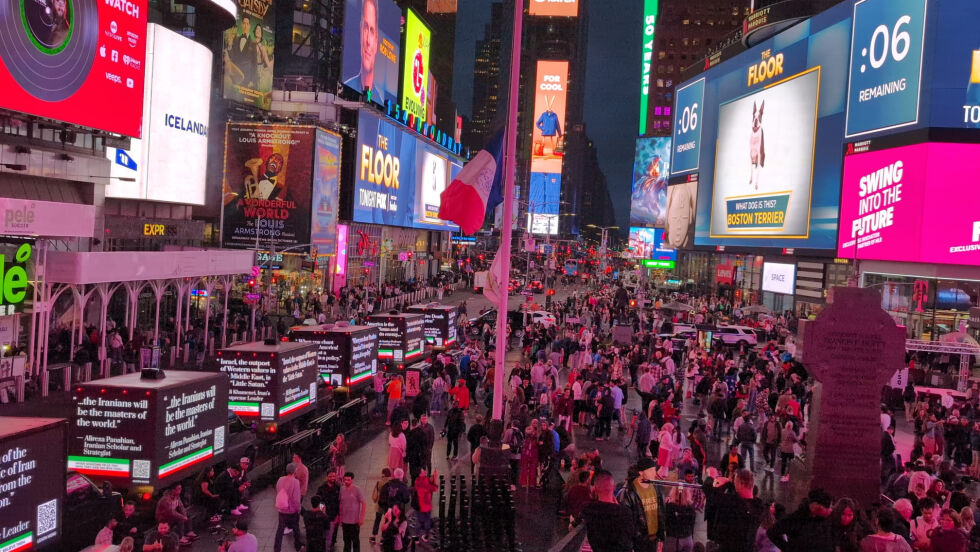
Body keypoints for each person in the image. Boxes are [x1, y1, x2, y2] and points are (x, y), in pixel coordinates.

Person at [711, 468, 766, 552]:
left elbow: (714, 497)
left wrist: (722, 484)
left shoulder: (732, 503)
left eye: (735, 482)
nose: (734, 485)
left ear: (742, 483)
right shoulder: (759, 507)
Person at [619, 457, 666, 551]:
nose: (654, 473)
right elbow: (626, 522)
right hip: (639, 542)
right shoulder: (630, 492)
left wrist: (661, 538)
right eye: (651, 470)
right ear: (641, 472)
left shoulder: (656, 488)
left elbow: (661, 515)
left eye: (654, 470)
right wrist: (630, 545)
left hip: (654, 540)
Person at [767, 488, 835, 551]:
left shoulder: (824, 520)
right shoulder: (796, 518)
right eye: (827, 507)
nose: (829, 510)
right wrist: (788, 548)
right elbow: (772, 532)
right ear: (815, 504)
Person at [582, 471, 635, 552]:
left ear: (595, 489)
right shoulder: (624, 513)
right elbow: (628, 540)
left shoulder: (588, 509)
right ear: (614, 487)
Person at [343, 0, 381, 98]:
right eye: (365, 28)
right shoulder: (347, 85)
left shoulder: (380, 100)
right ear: (360, 32)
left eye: (372, 31)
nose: (368, 41)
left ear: (376, 41)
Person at [273, 463, 304, 552]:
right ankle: (297, 546)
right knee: (296, 528)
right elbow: (296, 499)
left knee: (280, 529)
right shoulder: (295, 482)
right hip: (292, 511)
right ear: (294, 471)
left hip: (282, 510)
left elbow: (278, 491)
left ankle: (277, 548)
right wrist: (298, 509)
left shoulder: (280, 479)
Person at [339, 471, 367, 552]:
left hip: (354, 521)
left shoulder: (357, 490)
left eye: (348, 480)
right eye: (345, 480)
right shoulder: (342, 489)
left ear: (352, 480)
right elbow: (341, 504)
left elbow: (363, 503)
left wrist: (361, 518)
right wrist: (340, 518)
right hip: (345, 521)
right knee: (346, 542)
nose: (346, 482)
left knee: (355, 542)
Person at [665, 487, 697, 552]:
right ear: (687, 493)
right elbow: (692, 524)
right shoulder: (691, 507)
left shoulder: (669, 506)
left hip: (673, 538)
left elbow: (666, 523)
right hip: (687, 537)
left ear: (673, 492)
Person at [414, 469, 439, 542]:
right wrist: (435, 478)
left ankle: (416, 539)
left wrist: (433, 477)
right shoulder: (423, 482)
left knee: (418, 522)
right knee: (427, 522)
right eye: (422, 471)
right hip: (426, 506)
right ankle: (426, 536)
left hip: (419, 506)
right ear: (420, 474)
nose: (424, 471)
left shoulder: (418, 481)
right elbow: (434, 488)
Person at [370, 468, 393, 544]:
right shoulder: (392, 482)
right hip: (388, 504)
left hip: (379, 504)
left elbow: (375, 494)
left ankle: (373, 536)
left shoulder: (379, 482)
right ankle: (383, 538)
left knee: (377, 520)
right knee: (386, 521)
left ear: (383, 474)